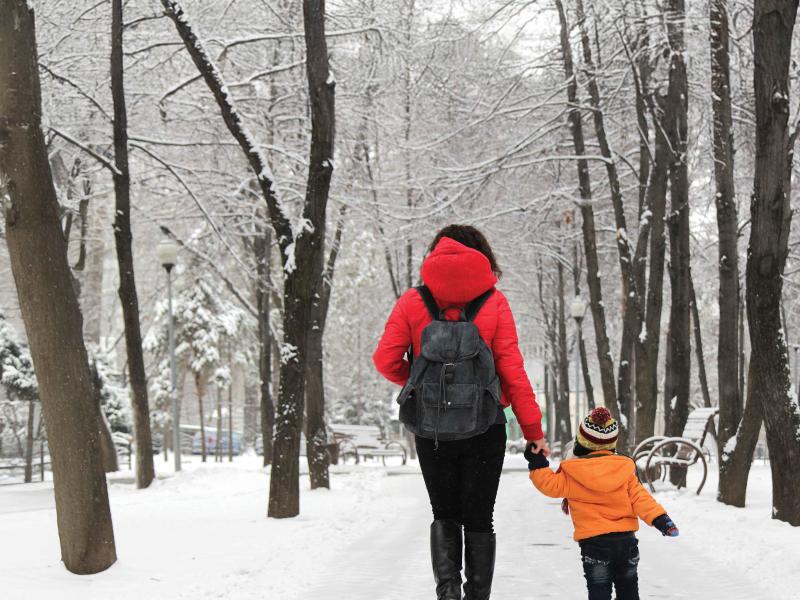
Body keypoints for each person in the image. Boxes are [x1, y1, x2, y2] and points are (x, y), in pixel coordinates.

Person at [373, 224, 548, 600]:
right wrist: (533, 428)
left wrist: (418, 382)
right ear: (481, 255)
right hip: (485, 427)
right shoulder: (494, 302)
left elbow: (385, 359)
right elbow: (512, 370)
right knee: (480, 518)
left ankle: (448, 594)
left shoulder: (412, 301)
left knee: (444, 514)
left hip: (431, 428)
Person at [525, 406, 679, 600]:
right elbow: (641, 499)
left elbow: (548, 484)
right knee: (628, 590)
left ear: (581, 443)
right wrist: (661, 520)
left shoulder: (573, 473)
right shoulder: (625, 470)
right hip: (626, 542)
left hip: (594, 544)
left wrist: (536, 461)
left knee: (599, 590)